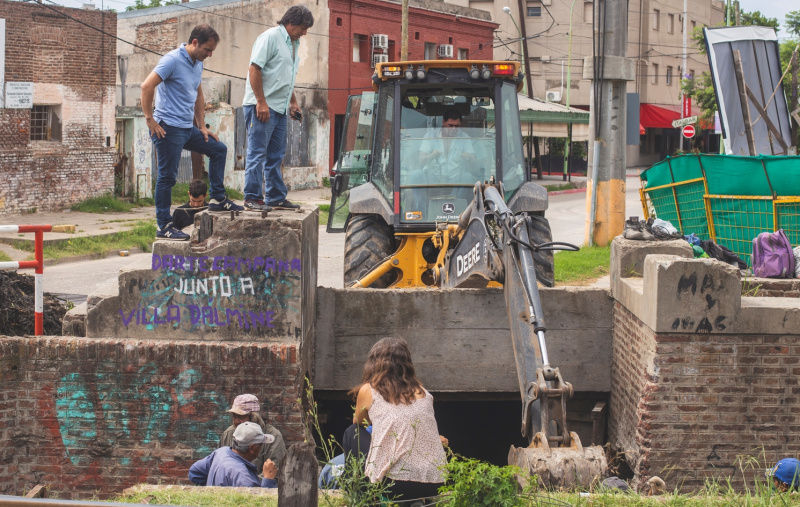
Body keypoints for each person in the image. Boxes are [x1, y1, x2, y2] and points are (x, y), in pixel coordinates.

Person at [141, 24, 243, 242]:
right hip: (167, 128)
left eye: (212, 50)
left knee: (218, 150)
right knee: (167, 177)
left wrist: (202, 126)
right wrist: (150, 120)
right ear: (195, 42)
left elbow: (198, 96)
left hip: (188, 128)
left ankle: (217, 199)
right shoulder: (172, 60)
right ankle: (164, 225)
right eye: (207, 49)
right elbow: (146, 86)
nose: (210, 54)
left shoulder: (197, 63)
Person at [352, 337, 447, 502]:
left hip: (393, 483)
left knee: (352, 433)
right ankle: (421, 501)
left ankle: (361, 498)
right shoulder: (425, 394)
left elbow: (358, 422)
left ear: (374, 363)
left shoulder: (369, 390)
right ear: (407, 365)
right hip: (435, 481)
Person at [242, 6, 314, 212]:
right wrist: (261, 102)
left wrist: (292, 102)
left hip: (280, 107)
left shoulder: (294, 43)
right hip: (262, 106)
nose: (305, 32)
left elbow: (286, 77)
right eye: (303, 27)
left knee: (276, 155)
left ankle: (275, 197)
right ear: (290, 23)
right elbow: (255, 68)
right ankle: (252, 198)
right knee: (257, 153)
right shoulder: (271, 37)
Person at [189, 421, 278, 487]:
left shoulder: (221, 452)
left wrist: (212, 491)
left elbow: (195, 472)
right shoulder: (244, 477)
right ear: (253, 448)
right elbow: (258, 503)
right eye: (261, 445)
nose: (261, 448)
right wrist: (268, 480)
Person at [219, 394, 286, 471]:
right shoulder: (228, 434)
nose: (236, 421)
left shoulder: (273, 436)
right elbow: (220, 464)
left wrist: (247, 481)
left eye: (241, 417)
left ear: (254, 417)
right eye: (234, 416)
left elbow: (274, 471)